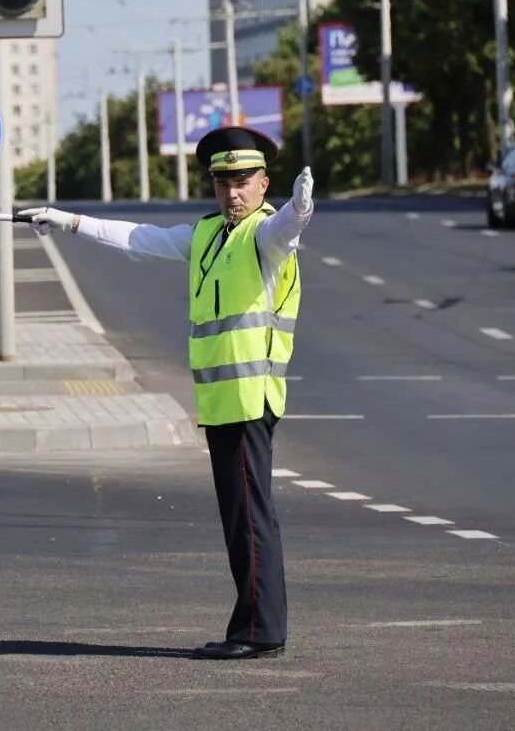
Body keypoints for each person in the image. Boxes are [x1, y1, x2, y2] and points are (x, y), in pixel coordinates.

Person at [22, 126, 315, 661]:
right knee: (241, 516)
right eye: (223, 181)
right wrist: (68, 220)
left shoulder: (265, 235)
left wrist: (299, 211)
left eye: (243, 181)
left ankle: (258, 630)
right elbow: (139, 238)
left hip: (250, 400)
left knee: (250, 516)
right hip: (221, 401)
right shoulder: (207, 235)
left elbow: (287, 236)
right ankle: (254, 624)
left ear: (263, 183)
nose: (232, 191)